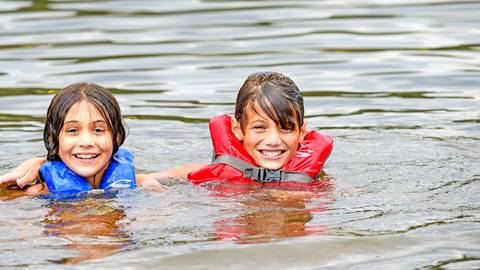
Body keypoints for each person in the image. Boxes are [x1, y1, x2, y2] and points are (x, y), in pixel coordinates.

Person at [1, 72, 332, 190]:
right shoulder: (212, 174)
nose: (273, 140)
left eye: (285, 128)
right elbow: (158, 179)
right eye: (260, 127)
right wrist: (38, 163)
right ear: (238, 129)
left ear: (302, 133)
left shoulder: (321, 186)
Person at [0, 82, 161, 196]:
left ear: (117, 137)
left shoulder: (143, 185)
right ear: (53, 139)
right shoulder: (36, 194)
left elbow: (184, 172)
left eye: (98, 130)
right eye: (72, 130)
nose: (86, 142)